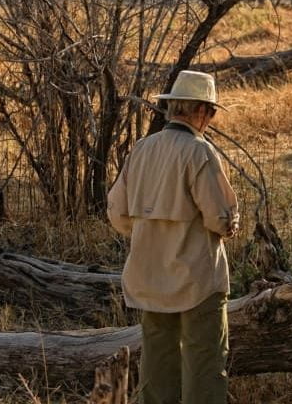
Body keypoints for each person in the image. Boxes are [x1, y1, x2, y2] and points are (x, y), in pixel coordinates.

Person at [108, 70, 239, 404]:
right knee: (204, 369)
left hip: (149, 276)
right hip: (197, 279)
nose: (209, 119)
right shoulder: (199, 151)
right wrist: (229, 226)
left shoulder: (142, 148)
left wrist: (149, 233)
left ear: (172, 108)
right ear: (200, 110)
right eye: (210, 112)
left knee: (156, 369)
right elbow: (219, 217)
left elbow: (117, 213)